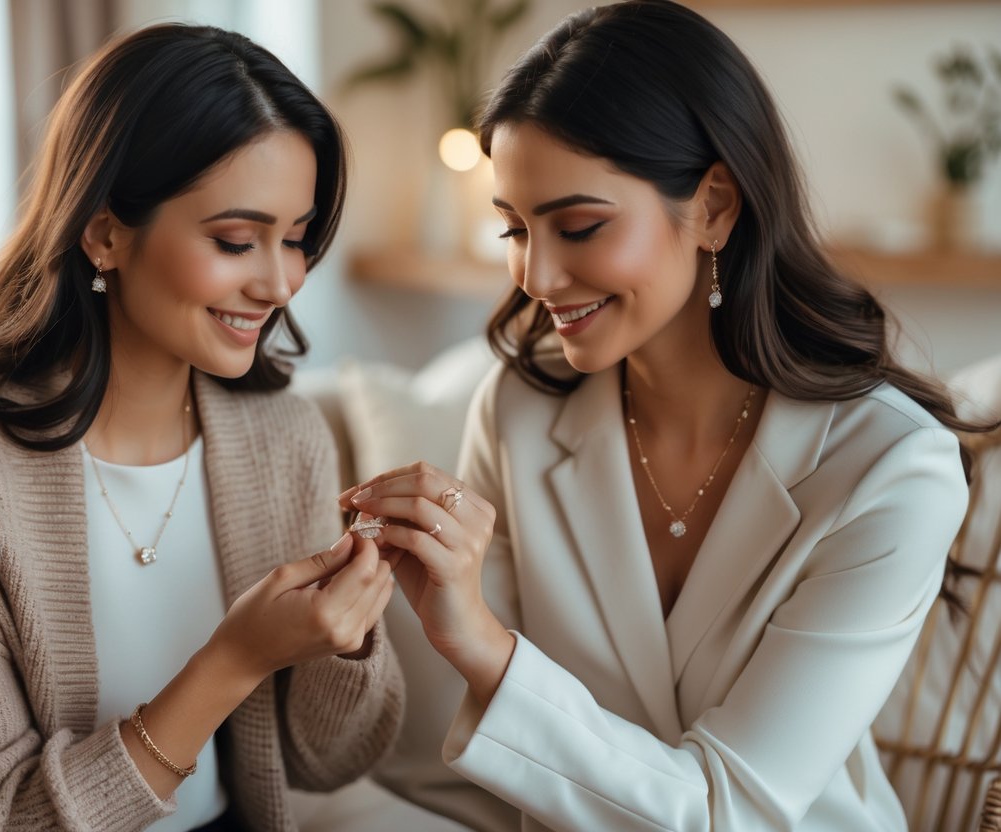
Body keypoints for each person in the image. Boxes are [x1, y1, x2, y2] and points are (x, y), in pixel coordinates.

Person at [340, 2, 996, 830]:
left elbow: (736, 810)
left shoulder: (891, 467)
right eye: (512, 228)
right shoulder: (516, 411)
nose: (536, 275)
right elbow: (500, 775)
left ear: (714, 206)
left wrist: (481, 643)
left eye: (579, 226)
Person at [0, 24, 403, 832]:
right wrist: (233, 660)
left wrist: (343, 635)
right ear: (104, 232)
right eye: (236, 240)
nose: (279, 282)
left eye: (297, 239)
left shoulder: (286, 437)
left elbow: (328, 760)